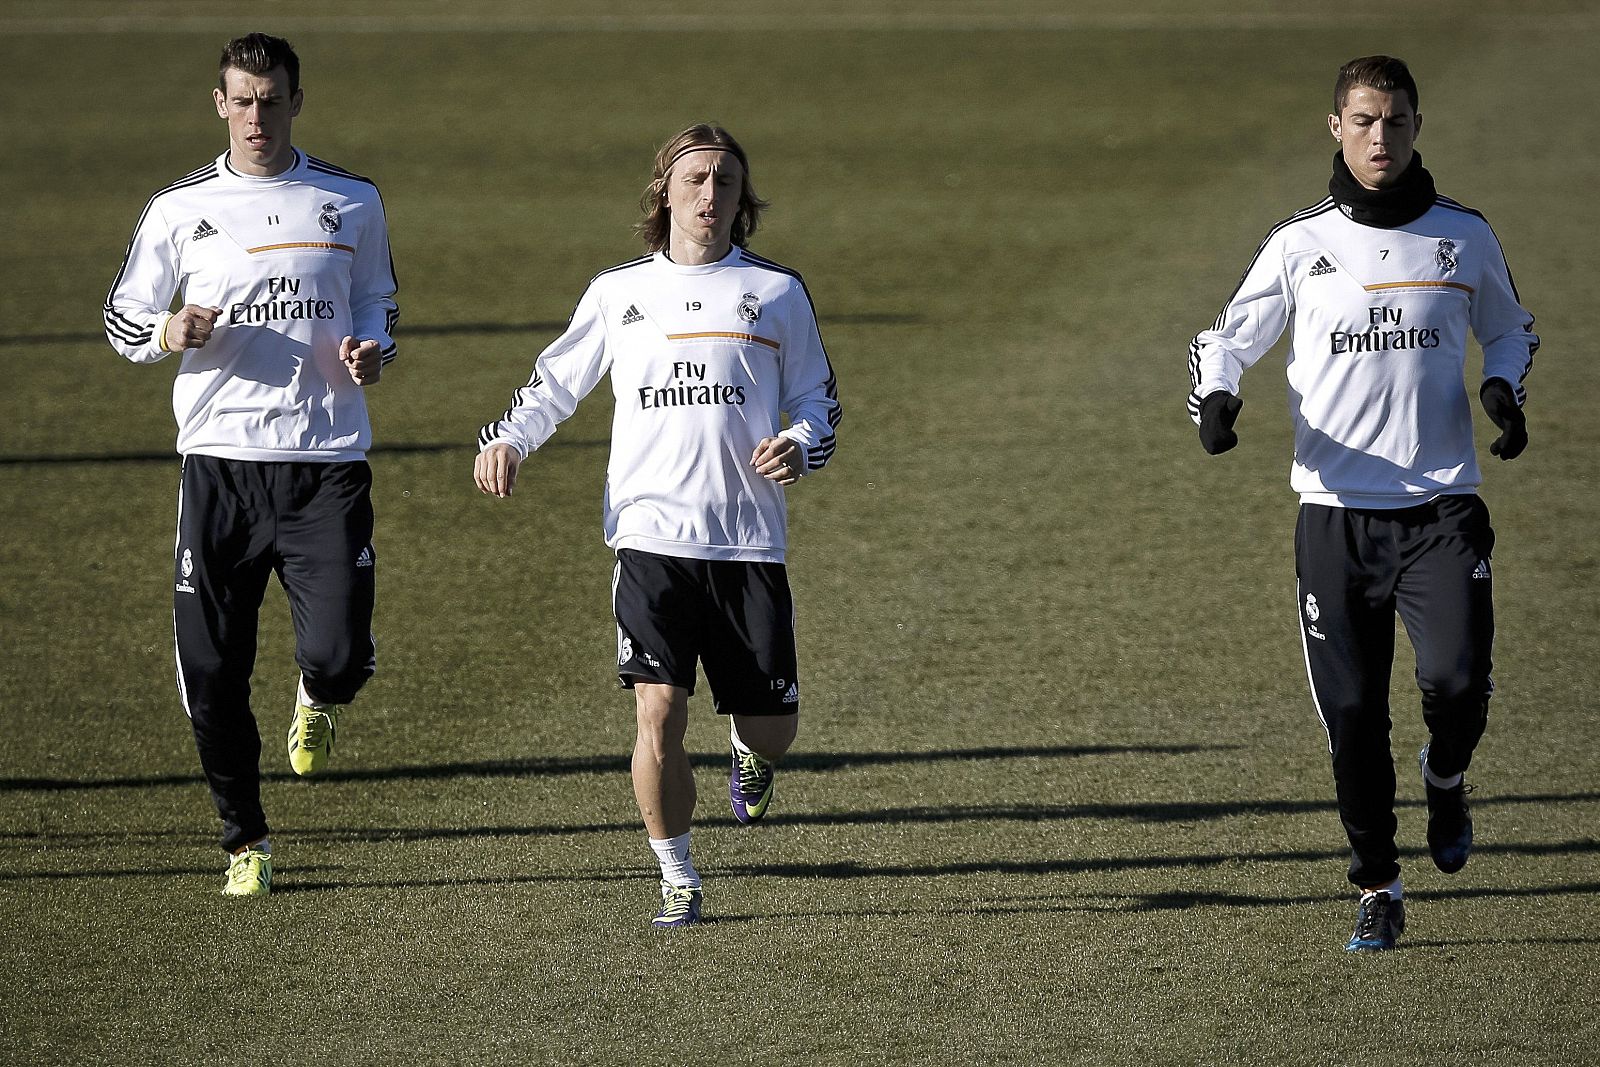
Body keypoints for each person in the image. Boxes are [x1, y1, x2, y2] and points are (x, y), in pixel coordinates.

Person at [1186, 56, 1536, 952]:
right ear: (1335, 126)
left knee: (1456, 681)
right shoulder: (1301, 243)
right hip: (1335, 516)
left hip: (1443, 508)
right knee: (1352, 719)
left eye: (1398, 121)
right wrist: (1217, 399)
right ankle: (1379, 882)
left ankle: (1447, 775)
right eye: (1365, 120)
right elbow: (1226, 335)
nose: (1381, 138)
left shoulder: (1462, 236)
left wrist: (1501, 387)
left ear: (1418, 127)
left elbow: (1509, 325)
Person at [475, 123, 841, 928]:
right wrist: (506, 438)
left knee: (774, 728)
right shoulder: (618, 292)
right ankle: (677, 871)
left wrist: (802, 443)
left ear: (744, 201)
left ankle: (752, 757)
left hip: (748, 542)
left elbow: (820, 400)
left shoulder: (778, 292)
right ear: (665, 191)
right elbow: (556, 381)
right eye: (697, 179)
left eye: (727, 183)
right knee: (659, 710)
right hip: (650, 540)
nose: (711, 195)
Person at [104, 33, 399, 897]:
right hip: (221, 470)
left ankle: (318, 693)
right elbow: (124, 316)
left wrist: (374, 346)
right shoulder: (177, 209)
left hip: (325, 465)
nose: (258, 116)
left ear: (296, 101)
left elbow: (379, 297)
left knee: (341, 654)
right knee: (213, 673)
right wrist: (169, 331)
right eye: (243, 100)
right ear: (220, 105)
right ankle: (246, 840)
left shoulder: (350, 200)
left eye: (273, 100)